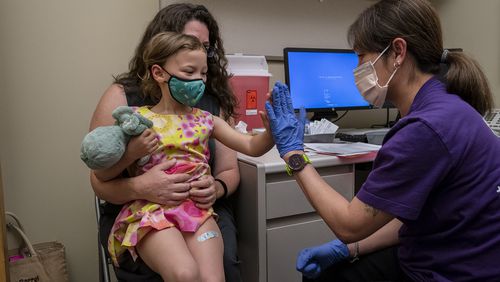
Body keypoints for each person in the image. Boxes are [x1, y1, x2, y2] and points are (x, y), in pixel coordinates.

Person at [264, 0, 500, 281]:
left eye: (361, 56)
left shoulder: (426, 128)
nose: (357, 69)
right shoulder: (446, 107)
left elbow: (348, 224)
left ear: (398, 52)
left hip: (452, 271)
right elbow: (403, 215)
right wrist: (350, 250)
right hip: (457, 252)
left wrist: (293, 153)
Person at [93, 31, 273, 282]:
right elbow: (102, 174)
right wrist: (132, 153)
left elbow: (251, 146)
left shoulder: (207, 119)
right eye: (189, 72)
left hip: (197, 211)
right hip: (151, 213)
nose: (198, 81)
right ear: (159, 73)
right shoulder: (137, 121)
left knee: (213, 279)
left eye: (203, 73)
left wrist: (273, 131)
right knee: (184, 273)